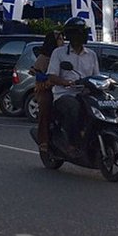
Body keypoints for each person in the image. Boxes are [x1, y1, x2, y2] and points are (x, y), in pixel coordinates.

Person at [47, 19, 99, 151]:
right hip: (64, 94)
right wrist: (67, 83)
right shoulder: (58, 53)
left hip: (86, 94)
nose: (83, 36)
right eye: (80, 33)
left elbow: (96, 76)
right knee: (73, 108)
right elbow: (51, 76)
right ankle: (73, 143)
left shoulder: (91, 55)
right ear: (71, 35)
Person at [32, 30, 59, 152]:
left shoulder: (63, 55)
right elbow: (39, 77)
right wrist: (49, 82)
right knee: (46, 106)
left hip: (62, 88)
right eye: (60, 39)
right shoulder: (43, 58)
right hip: (46, 89)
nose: (62, 42)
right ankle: (43, 139)